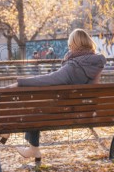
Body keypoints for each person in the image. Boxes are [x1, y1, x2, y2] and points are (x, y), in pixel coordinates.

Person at [9, 29, 106, 160]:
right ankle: (32, 148)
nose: (69, 47)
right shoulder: (96, 63)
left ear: (74, 44)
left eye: (70, 44)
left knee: (34, 107)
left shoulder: (74, 66)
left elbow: (50, 79)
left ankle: (29, 145)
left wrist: (21, 83)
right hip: (87, 111)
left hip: (67, 113)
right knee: (38, 104)